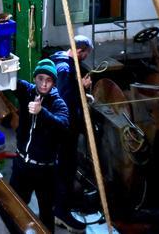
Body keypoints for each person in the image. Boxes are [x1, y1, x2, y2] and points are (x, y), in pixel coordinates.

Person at [11, 58, 70, 231]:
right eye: (40, 78)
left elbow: (63, 127)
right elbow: (7, 80)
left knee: (46, 212)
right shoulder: (26, 91)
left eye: (49, 80)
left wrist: (41, 112)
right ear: (35, 78)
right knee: (16, 209)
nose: (44, 84)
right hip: (21, 164)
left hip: (45, 170)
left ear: (54, 82)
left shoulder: (58, 103)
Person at [50, 35, 94, 232]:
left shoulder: (57, 58)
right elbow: (65, 98)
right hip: (64, 128)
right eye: (85, 53)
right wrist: (82, 89)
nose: (85, 57)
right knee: (66, 168)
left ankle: (58, 204)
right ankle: (60, 212)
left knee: (60, 165)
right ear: (80, 50)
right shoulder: (65, 69)